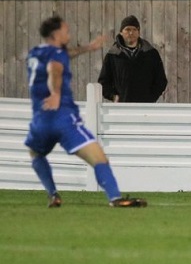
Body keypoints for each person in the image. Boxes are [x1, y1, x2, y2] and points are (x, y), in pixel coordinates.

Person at [25, 16, 147, 208]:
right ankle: (115, 198)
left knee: (36, 154)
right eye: (66, 31)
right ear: (56, 34)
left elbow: (62, 55)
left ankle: (53, 194)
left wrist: (88, 48)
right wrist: (56, 93)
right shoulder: (56, 57)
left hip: (40, 120)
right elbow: (54, 68)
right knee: (98, 157)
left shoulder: (35, 54)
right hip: (62, 118)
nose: (69, 34)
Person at [98, 15, 167, 103]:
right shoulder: (113, 55)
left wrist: (150, 98)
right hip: (122, 109)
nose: (131, 33)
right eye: (127, 29)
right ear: (121, 32)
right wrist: (114, 97)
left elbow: (161, 80)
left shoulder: (151, 54)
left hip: (145, 108)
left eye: (134, 29)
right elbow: (103, 82)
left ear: (139, 32)